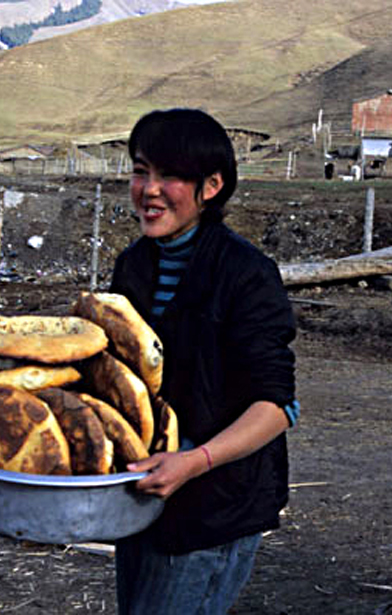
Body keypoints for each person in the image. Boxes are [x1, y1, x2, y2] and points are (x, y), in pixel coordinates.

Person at [109, 107, 300, 615]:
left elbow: (277, 406)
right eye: (141, 170)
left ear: (211, 186)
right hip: (143, 494)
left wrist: (193, 461)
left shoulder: (246, 274)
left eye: (169, 175)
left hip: (215, 504)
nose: (149, 189)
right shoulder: (133, 265)